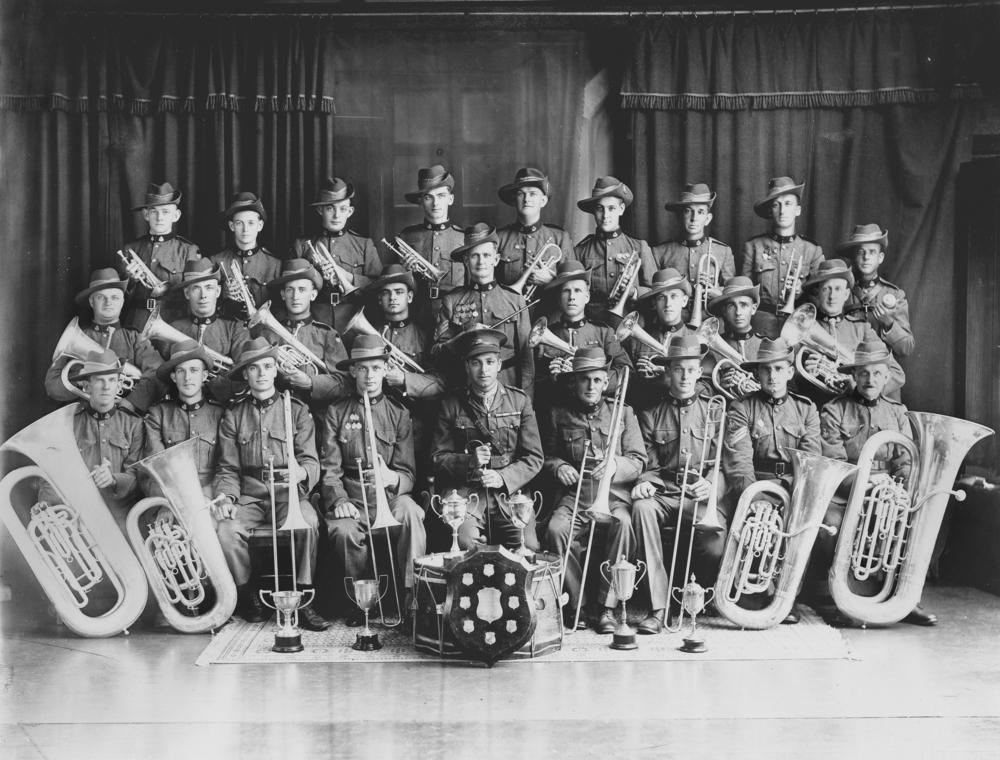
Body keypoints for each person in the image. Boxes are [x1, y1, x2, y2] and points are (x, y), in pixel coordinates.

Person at [211, 338, 330, 631]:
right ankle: (247, 593)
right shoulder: (233, 415)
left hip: (287, 493)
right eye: (254, 368)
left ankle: (303, 597)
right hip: (249, 495)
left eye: (267, 366)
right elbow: (227, 468)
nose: (262, 373)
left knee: (308, 522)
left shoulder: (298, 411)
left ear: (276, 370)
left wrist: (301, 473)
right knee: (226, 530)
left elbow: (312, 462)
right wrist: (227, 498)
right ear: (246, 374)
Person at [817, 339, 935, 626]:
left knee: (913, 521)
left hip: (889, 491)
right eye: (864, 373)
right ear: (854, 376)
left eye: (877, 374)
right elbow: (834, 461)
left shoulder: (897, 411)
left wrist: (900, 492)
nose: (871, 380)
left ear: (886, 377)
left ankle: (905, 600)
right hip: (845, 493)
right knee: (831, 525)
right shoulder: (834, 410)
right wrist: (867, 483)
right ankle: (840, 598)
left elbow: (907, 460)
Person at [321, 335, 426, 625]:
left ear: (385, 369)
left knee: (412, 513)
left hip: (390, 496)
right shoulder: (336, 413)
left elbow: (408, 473)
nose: (369, 376)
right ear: (353, 371)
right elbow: (330, 469)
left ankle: (411, 598)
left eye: (376, 368)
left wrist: (391, 477)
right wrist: (339, 499)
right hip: (353, 497)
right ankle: (361, 602)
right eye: (363, 369)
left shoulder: (399, 413)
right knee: (343, 531)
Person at [629, 334, 729, 634]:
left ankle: (700, 597)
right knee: (642, 509)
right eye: (678, 369)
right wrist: (646, 483)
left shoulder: (715, 411)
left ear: (700, 371)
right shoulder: (649, 415)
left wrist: (711, 486)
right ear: (667, 372)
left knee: (714, 545)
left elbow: (724, 463)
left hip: (699, 497)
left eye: (691, 369)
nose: (685, 376)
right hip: (664, 492)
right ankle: (658, 608)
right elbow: (648, 464)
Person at [542, 348, 645, 633]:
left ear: (606, 381)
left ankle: (607, 608)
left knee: (624, 524)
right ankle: (578, 606)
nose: (591, 386)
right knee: (555, 529)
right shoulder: (558, 414)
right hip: (576, 496)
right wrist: (558, 466)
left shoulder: (623, 412)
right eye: (585, 380)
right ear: (574, 382)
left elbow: (638, 460)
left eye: (597, 380)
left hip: (613, 497)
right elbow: (546, 456)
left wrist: (615, 465)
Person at [722, 337, 821, 624]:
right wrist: (758, 498)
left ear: (790, 371)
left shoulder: (806, 409)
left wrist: (791, 496)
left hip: (793, 484)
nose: (772, 376)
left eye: (779, 369)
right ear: (757, 374)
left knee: (797, 520)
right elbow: (738, 462)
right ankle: (753, 591)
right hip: (754, 482)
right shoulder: (742, 408)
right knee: (756, 521)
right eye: (766, 370)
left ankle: (785, 595)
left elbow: (811, 462)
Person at [430, 325, 543, 551]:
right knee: (465, 543)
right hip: (468, 495)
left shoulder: (519, 402)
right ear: (466, 366)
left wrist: (503, 478)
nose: (484, 370)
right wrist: (469, 461)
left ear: (499, 365)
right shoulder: (451, 405)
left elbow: (534, 458)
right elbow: (437, 458)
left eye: (490, 362)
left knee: (528, 546)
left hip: (509, 494)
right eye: (476, 363)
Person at [39, 349, 145, 533]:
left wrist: (114, 480)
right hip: (77, 517)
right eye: (99, 380)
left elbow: (137, 478)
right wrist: (47, 506)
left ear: (119, 386)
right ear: (87, 386)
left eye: (111, 380)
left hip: (121, 520)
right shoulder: (69, 423)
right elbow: (53, 473)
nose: (106, 386)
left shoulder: (134, 425)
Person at [362, 264, 447, 486]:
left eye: (399, 292)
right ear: (379, 299)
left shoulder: (426, 336)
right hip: (380, 423)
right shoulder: (371, 335)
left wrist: (405, 380)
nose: (392, 298)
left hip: (418, 424)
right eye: (386, 293)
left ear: (410, 297)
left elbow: (442, 382)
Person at [432, 223, 534, 396]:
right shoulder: (451, 301)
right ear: (465, 260)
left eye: (486, 255)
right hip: (465, 388)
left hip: (508, 388)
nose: (481, 262)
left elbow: (526, 359)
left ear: (496, 259)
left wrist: (525, 399)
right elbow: (438, 354)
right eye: (474, 256)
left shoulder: (515, 300)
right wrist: (463, 337)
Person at [45, 268, 163, 414]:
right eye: (101, 297)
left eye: (114, 297)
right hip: (82, 421)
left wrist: (133, 402)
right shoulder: (75, 337)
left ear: (122, 301)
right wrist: (82, 381)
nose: (108, 302)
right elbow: (52, 387)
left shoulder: (134, 339)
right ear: (91, 301)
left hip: (125, 422)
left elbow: (158, 373)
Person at [797, 258, 905, 407]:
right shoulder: (802, 328)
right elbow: (787, 381)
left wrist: (861, 386)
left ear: (847, 294)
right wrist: (806, 376)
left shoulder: (862, 329)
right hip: (817, 413)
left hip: (857, 413)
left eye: (838, 289)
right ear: (817, 294)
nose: (832, 295)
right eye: (826, 288)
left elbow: (897, 374)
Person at [533, 258, 632, 409]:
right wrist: (553, 379)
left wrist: (597, 378)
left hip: (598, 412)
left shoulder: (604, 333)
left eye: (577, 291)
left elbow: (626, 372)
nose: (572, 297)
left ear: (587, 297)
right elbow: (535, 383)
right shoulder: (546, 334)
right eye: (566, 291)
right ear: (559, 297)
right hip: (560, 414)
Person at [289, 177, 382, 331]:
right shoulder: (302, 246)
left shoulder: (364, 245)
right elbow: (292, 288)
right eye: (330, 208)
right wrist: (317, 278)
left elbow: (379, 288)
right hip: (315, 322)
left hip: (354, 322)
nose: (337, 215)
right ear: (320, 210)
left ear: (350, 211)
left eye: (343, 209)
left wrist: (349, 277)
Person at [259, 258, 351, 412]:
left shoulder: (327, 335)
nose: (295, 296)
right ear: (283, 294)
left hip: (318, 416)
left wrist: (310, 382)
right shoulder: (268, 335)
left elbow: (345, 383)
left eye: (302, 289)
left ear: (313, 294)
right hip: (276, 413)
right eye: (290, 290)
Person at [741, 176, 825, 335]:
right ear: (769, 211)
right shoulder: (753, 247)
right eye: (776, 205)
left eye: (788, 204)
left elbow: (820, 299)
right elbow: (745, 294)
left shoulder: (812, 250)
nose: (782, 210)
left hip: (798, 326)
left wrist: (802, 292)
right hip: (760, 324)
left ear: (798, 210)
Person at [162, 259, 250, 403]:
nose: (203, 295)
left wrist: (212, 387)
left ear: (218, 291)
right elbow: (164, 374)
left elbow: (243, 373)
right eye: (196, 288)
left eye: (209, 287)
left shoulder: (235, 328)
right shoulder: (173, 328)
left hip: (222, 405)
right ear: (186, 293)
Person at [144, 340, 224, 494]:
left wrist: (209, 497)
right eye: (181, 371)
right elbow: (156, 470)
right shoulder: (158, 415)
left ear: (204, 375)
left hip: (211, 497)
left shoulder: (220, 415)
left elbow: (226, 468)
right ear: (174, 377)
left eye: (194, 370)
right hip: (171, 498)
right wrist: (168, 503)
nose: (187, 377)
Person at [118, 181, 202, 329]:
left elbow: (195, 294)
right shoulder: (131, 249)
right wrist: (130, 280)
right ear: (145, 215)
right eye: (154, 211)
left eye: (166, 212)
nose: (159, 217)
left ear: (176, 216)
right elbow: (118, 297)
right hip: (137, 320)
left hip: (174, 321)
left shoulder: (188, 250)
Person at [574, 176, 656, 320]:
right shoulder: (581, 251)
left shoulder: (639, 247)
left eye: (611, 208)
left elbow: (656, 292)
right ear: (594, 211)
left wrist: (634, 292)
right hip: (594, 326)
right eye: (600, 208)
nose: (605, 215)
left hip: (630, 324)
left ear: (621, 209)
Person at [620, 267, 699, 411]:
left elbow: (706, 388)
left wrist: (667, 377)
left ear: (684, 301)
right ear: (654, 303)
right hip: (646, 414)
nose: (668, 303)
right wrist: (642, 380)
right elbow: (626, 388)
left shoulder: (696, 339)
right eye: (662, 297)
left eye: (674, 296)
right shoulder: (636, 340)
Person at [395, 165, 466, 322]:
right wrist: (406, 273)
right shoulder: (406, 237)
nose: (435, 203)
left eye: (441, 196)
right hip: (415, 313)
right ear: (421, 201)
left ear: (450, 199)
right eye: (428, 197)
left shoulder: (464, 239)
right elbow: (393, 286)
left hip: (454, 314)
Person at [651, 183, 735, 315]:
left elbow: (732, 293)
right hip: (673, 320)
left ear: (707, 219)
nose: (694, 218)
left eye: (700, 212)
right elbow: (654, 294)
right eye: (688, 211)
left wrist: (717, 293)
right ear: (679, 216)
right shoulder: (660, 252)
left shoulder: (723, 251)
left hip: (710, 318)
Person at [837, 223, 915, 357]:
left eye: (872, 252)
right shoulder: (841, 290)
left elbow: (907, 348)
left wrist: (889, 323)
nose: (866, 257)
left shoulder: (894, 295)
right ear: (853, 257)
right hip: (845, 365)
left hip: (879, 370)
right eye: (861, 252)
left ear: (880, 258)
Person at [495, 167, 574, 293]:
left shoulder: (560, 237)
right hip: (508, 310)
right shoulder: (499, 238)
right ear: (514, 200)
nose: (526, 199)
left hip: (548, 310)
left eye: (533, 194)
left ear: (543, 201)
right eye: (521, 194)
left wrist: (551, 281)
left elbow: (573, 287)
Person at [211, 192, 282, 321]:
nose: (245, 230)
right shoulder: (216, 261)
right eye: (239, 223)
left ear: (259, 226)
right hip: (228, 329)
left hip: (262, 332)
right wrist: (223, 293)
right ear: (231, 226)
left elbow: (279, 307)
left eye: (251, 223)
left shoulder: (274, 264)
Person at [702, 276, 766, 400]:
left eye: (743, 305)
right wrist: (719, 386)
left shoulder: (766, 345)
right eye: (731, 305)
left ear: (753, 309)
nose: (738, 312)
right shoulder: (712, 348)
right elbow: (702, 391)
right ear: (724, 311)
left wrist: (760, 389)